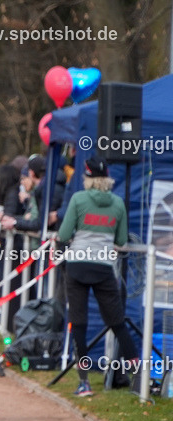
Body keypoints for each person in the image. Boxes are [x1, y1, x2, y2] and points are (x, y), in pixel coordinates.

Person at [57, 157, 138, 397]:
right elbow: (121, 241)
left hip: (77, 266)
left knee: (79, 325)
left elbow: (63, 234)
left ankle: (84, 383)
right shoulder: (118, 203)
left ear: (88, 178)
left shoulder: (78, 199)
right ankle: (139, 379)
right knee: (118, 324)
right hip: (103, 267)